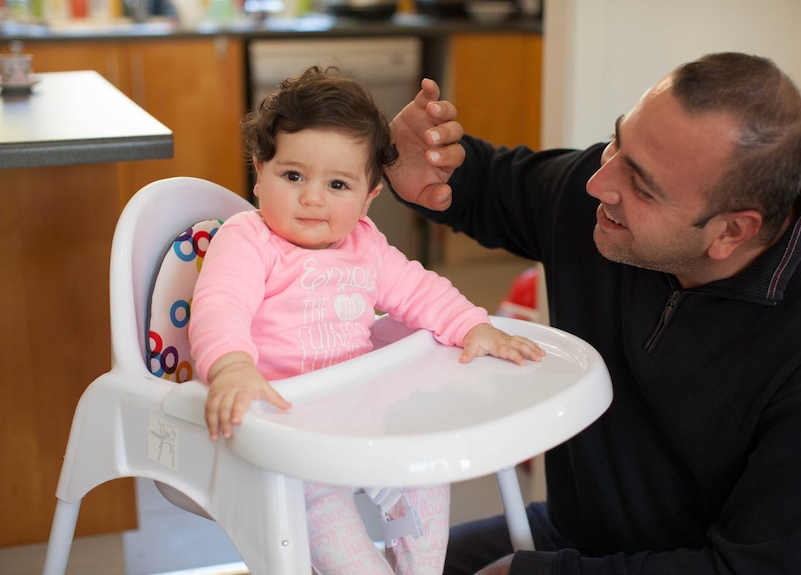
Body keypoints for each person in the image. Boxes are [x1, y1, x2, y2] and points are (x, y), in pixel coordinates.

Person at [385, 52, 801, 574]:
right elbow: (486, 185)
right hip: (573, 532)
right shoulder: (598, 197)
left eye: (642, 186)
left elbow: (752, 569)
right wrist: (414, 161)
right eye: (618, 140)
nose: (599, 183)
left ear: (731, 231)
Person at [188, 65, 545, 575]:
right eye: (293, 176)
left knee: (426, 469)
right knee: (334, 533)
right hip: (290, 435)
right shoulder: (247, 240)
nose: (313, 198)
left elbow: (419, 291)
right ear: (258, 168)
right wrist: (230, 367)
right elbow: (219, 307)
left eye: (337, 184)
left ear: (369, 196)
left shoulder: (365, 244)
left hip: (363, 417)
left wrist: (473, 326)